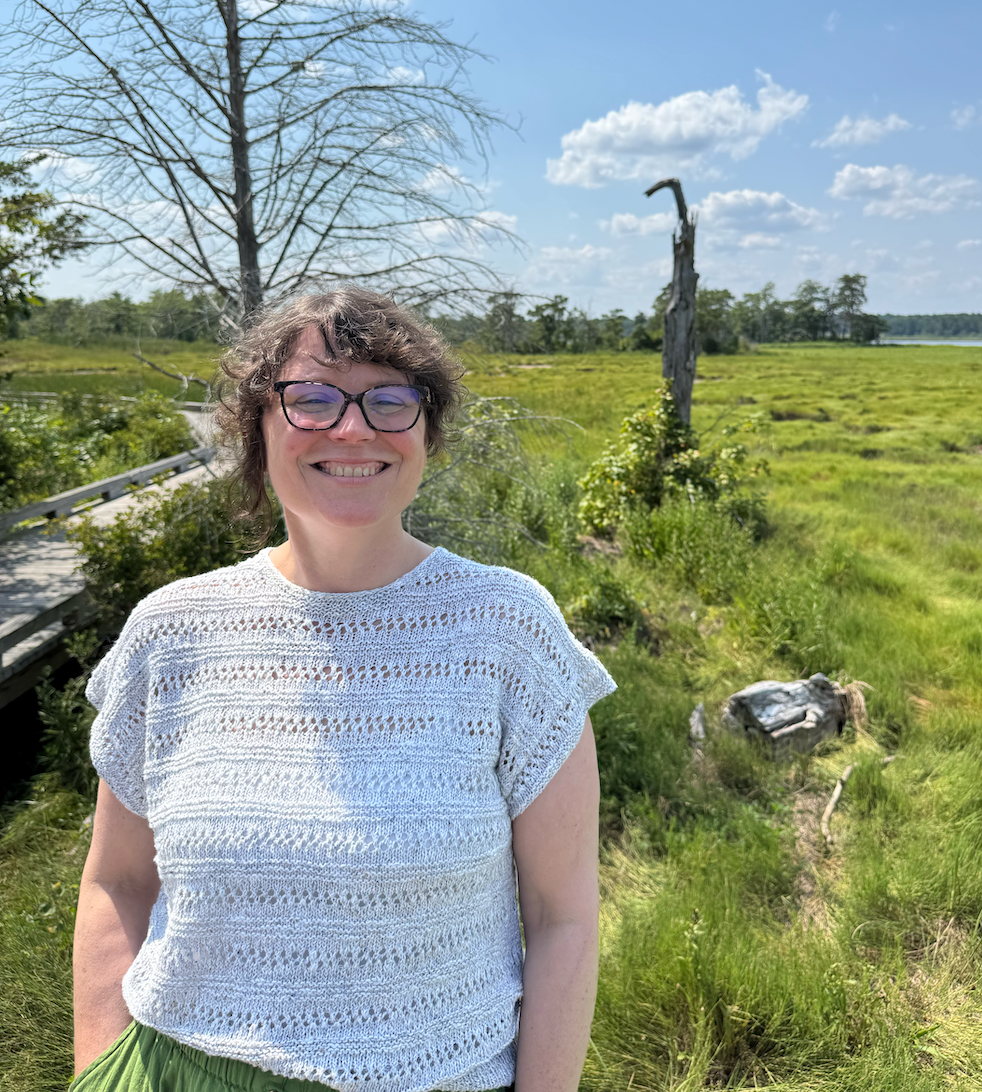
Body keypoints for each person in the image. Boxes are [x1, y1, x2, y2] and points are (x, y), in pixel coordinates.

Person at [72, 286, 616, 1092]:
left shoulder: (507, 630)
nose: (352, 427)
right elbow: (117, 881)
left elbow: (562, 916)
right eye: (312, 398)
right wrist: (98, 1068)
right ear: (258, 427)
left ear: (427, 432)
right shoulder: (170, 631)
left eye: (390, 401)